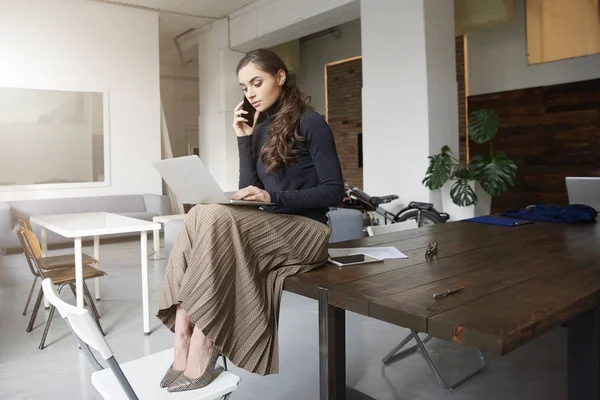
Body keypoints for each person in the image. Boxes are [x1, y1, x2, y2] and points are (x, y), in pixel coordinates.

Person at [156, 48, 345, 393]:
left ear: (281, 76)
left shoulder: (312, 122)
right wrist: (243, 138)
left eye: (256, 83)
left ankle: (206, 338)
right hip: (271, 224)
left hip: (306, 231)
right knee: (201, 211)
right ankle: (183, 330)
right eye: (245, 88)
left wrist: (274, 198)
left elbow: (334, 191)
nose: (250, 93)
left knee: (212, 215)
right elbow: (251, 190)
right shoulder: (260, 128)